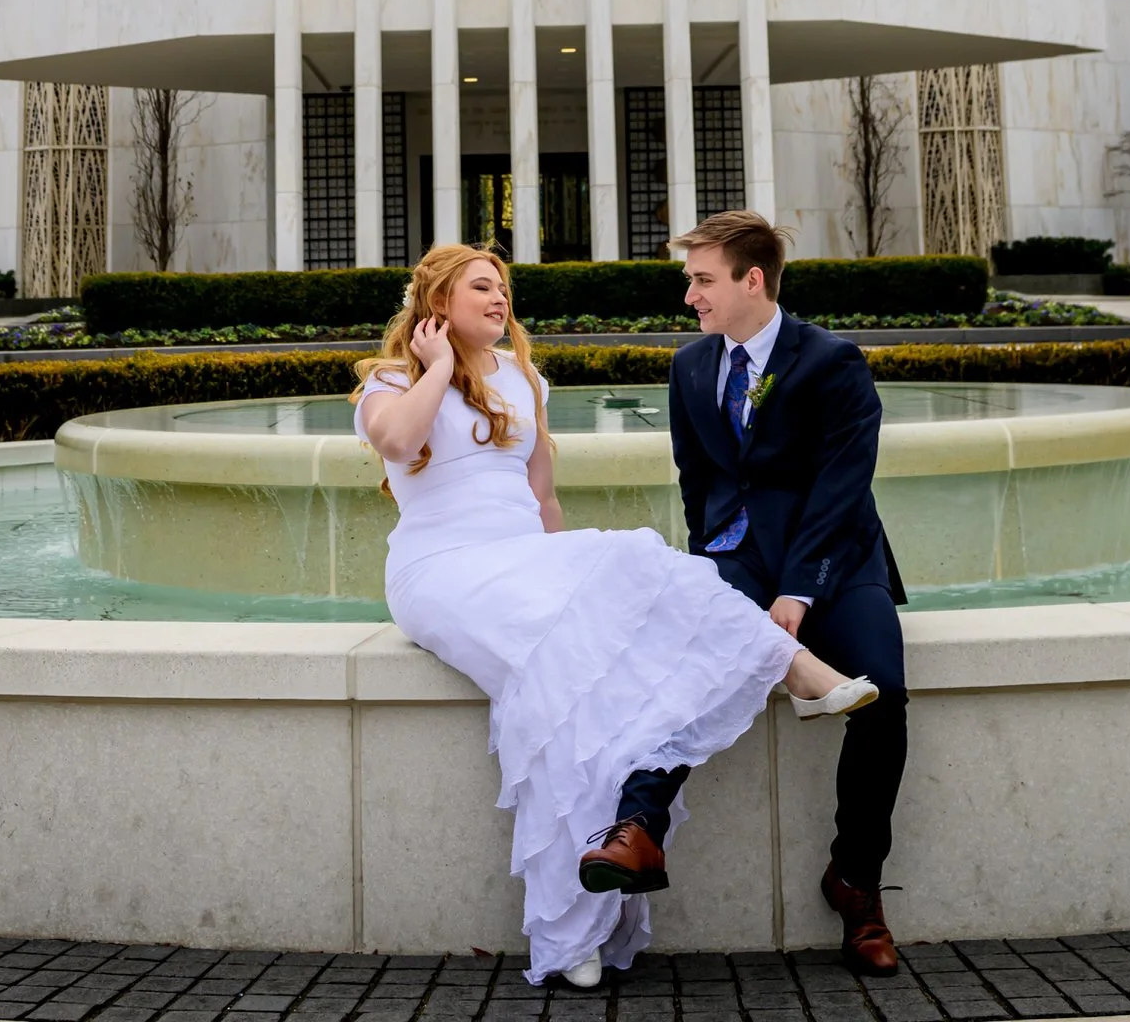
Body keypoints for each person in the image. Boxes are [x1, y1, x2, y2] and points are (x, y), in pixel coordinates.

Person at [353, 243, 877, 989]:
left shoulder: (523, 377)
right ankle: (791, 666)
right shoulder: (391, 380)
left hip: (521, 559)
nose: (500, 301)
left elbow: (544, 501)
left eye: (504, 289)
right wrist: (437, 366)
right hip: (441, 570)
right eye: (482, 289)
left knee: (596, 663)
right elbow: (399, 442)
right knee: (590, 648)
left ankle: (581, 924)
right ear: (438, 303)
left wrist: (570, 581)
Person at [600, 210, 907, 977]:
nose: (690, 297)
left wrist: (800, 591)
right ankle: (638, 826)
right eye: (691, 280)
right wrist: (707, 573)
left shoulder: (833, 363)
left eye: (702, 280)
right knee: (683, 660)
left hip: (836, 560)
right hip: (736, 561)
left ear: (753, 280)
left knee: (886, 695)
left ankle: (856, 882)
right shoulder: (689, 370)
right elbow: (698, 483)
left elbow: (842, 490)